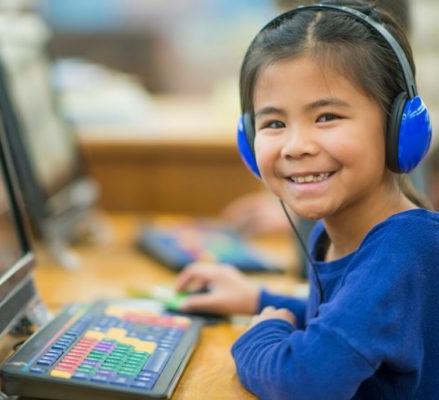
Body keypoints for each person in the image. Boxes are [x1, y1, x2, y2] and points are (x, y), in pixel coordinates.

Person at [175, 1, 439, 398]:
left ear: (397, 127)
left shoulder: (405, 249)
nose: (296, 146)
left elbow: (303, 381)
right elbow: (347, 326)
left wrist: (263, 332)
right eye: (274, 123)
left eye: (327, 117)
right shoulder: (333, 233)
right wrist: (259, 299)